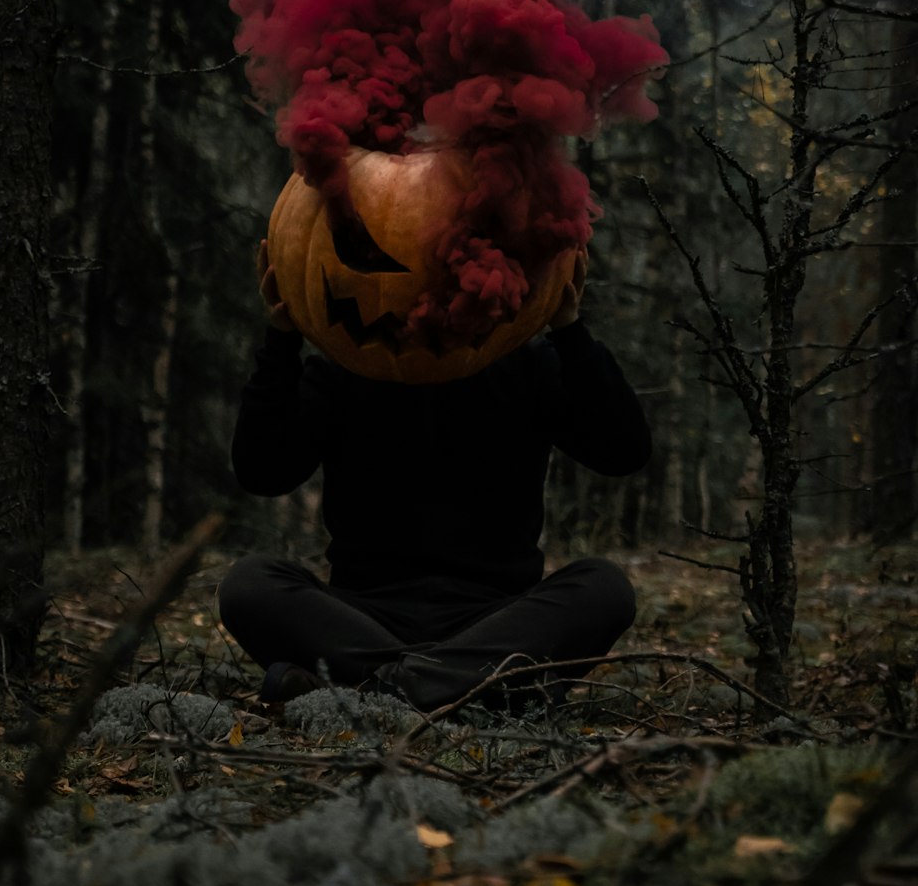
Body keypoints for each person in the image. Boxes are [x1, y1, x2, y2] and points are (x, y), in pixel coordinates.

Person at [218, 244, 651, 713]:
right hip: (362, 616)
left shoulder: (527, 363)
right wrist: (282, 336)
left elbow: (622, 451)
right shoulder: (349, 363)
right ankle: (475, 690)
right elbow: (262, 472)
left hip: (496, 618)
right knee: (249, 584)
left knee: (605, 587)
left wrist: (568, 329)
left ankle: (381, 692)